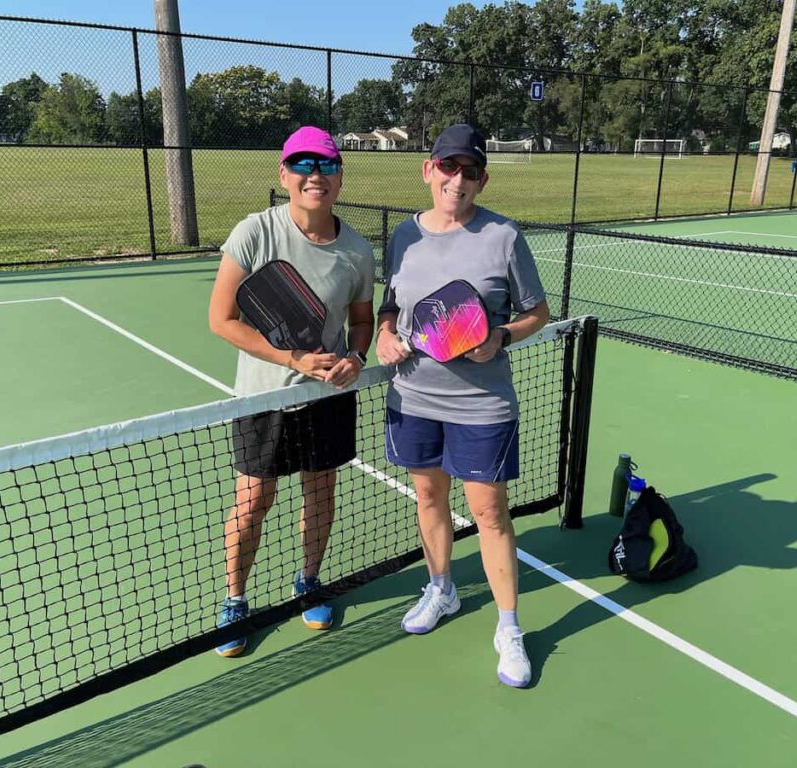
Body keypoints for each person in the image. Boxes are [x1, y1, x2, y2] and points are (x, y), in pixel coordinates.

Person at [375, 124, 550, 687]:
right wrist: (383, 334)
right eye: (448, 167)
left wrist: (501, 337)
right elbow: (392, 305)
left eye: (469, 171)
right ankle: (441, 589)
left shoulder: (503, 236)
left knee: (490, 514)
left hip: (481, 406)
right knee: (428, 496)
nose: (457, 180)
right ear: (428, 170)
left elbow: (536, 312)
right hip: (413, 396)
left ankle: (509, 628)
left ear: (482, 180)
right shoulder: (403, 235)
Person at [208, 126, 375, 657]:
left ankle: (309, 581)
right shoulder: (254, 233)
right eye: (302, 165)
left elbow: (363, 321)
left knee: (320, 492)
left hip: (328, 399)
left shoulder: (356, 251)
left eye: (325, 165)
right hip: (265, 399)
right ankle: (235, 600)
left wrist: (356, 357)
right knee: (253, 501)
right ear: (284, 175)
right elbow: (222, 319)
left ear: (340, 177)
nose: (314, 175)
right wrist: (290, 359)